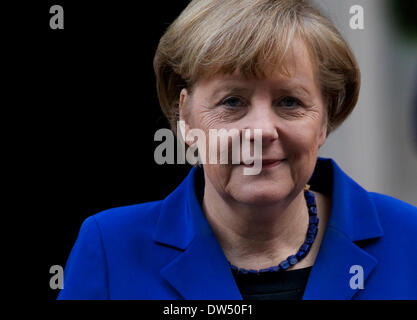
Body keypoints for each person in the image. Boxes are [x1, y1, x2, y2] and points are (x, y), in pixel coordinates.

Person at [58, 0, 417, 300]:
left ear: (324, 119)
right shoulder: (110, 250)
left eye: (289, 101)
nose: (261, 130)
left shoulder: (408, 240)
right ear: (186, 117)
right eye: (232, 101)